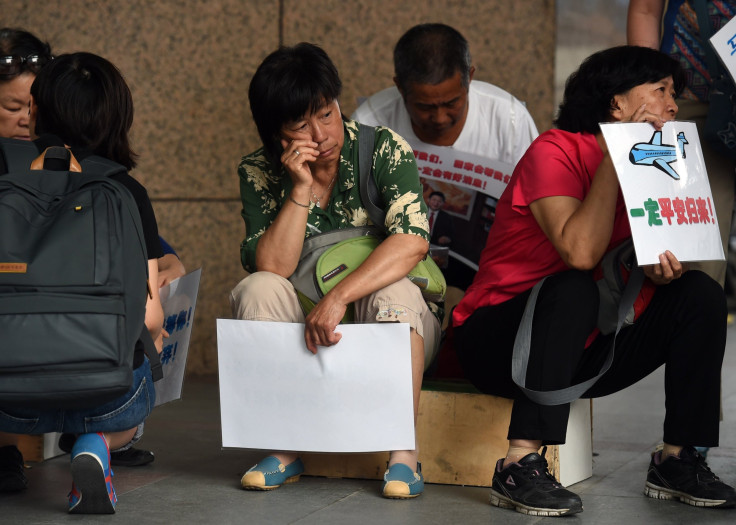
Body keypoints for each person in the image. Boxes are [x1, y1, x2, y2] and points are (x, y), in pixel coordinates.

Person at [452, 45, 735, 516]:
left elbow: (637, 269)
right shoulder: (554, 150)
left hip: (586, 344)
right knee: (572, 285)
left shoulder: (658, 161)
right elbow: (580, 253)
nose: (673, 106)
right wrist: (615, 156)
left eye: (675, 95)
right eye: (661, 91)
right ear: (616, 104)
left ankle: (678, 458)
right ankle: (518, 464)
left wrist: (663, 274)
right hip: (498, 343)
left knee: (700, 294)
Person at [230, 42, 441, 499]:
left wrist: (339, 297)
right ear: (275, 134)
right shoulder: (259, 170)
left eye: (326, 114)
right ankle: (283, 448)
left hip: (386, 317)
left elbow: (411, 241)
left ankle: (403, 453)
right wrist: (300, 188)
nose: (322, 134)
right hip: (303, 323)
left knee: (397, 292)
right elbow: (272, 266)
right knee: (257, 289)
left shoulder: (383, 148)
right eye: (300, 125)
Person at [0, 52, 164, 514]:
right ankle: (96, 442)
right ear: (117, 118)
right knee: (141, 372)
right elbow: (150, 318)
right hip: (107, 394)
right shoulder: (125, 192)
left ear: (36, 112)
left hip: (10, 399)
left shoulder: (5, 180)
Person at [628, 0, 735, 288]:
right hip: (692, 99)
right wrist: (651, 90)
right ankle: (696, 325)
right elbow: (645, 10)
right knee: (698, 251)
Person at [352, 22, 537, 169]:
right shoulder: (368, 125)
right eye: (425, 107)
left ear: (469, 79)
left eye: (451, 103)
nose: (440, 118)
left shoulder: (510, 119)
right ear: (400, 87)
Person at [0, 27, 53, 494]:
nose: (25, 120)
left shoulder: (56, 156)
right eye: (13, 108)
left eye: (34, 109)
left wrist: (165, 257)